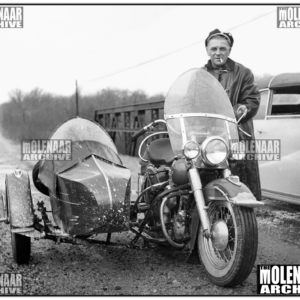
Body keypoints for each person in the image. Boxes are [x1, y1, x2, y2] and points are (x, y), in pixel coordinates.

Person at [202, 28, 262, 200]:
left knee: (239, 183)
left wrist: (241, 109)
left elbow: (252, 100)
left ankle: (242, 218)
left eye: (223, 48)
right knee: (205, 176)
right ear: (207, 50)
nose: (218, 52)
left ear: (229, 50)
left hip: (237, 133)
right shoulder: (200, 74)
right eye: (213, 49)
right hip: (207, 135)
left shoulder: (243, 72)